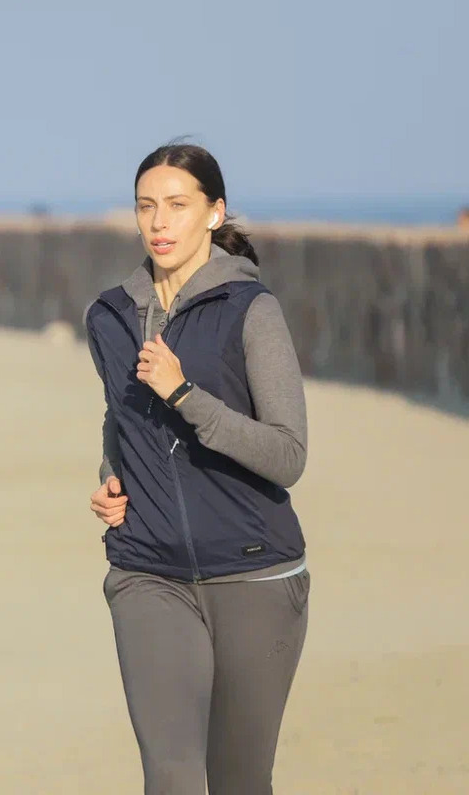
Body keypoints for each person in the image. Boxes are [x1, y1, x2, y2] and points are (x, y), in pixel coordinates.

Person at [84, 143, 310, 795]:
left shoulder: (251, 310)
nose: (159, 222)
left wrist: (185, 395)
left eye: (177, 205)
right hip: (146, 570)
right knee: (172, 777)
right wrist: (111, 478)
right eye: (146, 206)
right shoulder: (110, 316)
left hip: (254, 574)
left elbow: (288, 455)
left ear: (214, 213)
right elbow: (120, 421)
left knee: (239, 780)